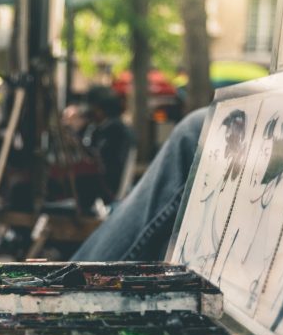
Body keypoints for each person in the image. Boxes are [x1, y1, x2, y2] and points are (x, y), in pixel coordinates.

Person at [72, 107, 209, 262]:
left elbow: (102, 169)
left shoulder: (110, 130)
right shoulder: (119, 128)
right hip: (114, 194)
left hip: (109, 192)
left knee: (195, 128)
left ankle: (74, 275)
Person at [86, 85, 136, 205]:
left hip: (110, 197)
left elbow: (104, 167)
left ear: (100, 109)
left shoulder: (112, 131)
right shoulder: (115, 128)